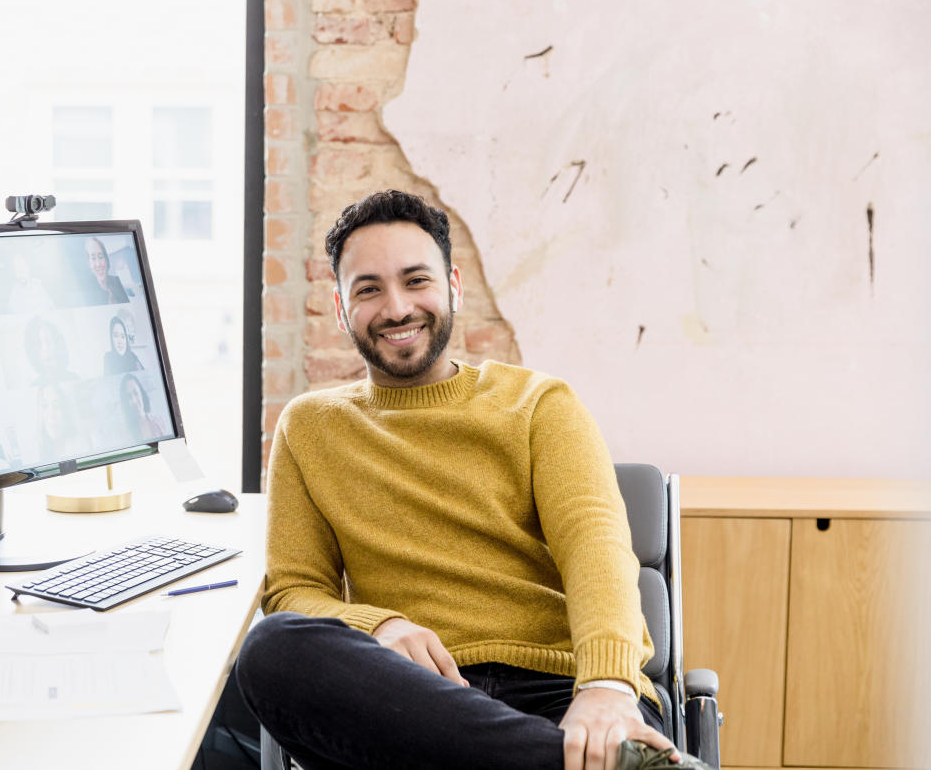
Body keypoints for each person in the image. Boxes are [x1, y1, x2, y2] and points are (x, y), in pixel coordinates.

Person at [234, 190, 711, 770]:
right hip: (409, 703)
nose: (396, 308)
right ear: (340, 308)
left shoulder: (540, 404)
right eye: (368, 289)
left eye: (416, 280)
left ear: (453, 287)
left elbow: (597, 549)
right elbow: (293, 591)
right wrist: (378, 625)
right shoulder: (308, 428)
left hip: (562, 690)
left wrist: (607, 687)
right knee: (270, 650)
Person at [24, 316, 79, 386]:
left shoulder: (73, 379)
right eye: (39, 344)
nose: (45, 348)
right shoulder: (34, 386)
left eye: (48, 341)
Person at [118, 372, 165, 442]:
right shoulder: (126, 434)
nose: (134, 401)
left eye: (136, 393)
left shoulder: (158, 421)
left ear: (141, 394)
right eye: (129, 397)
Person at [84, 236, 130, 304]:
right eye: (93, 258)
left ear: (106, 259)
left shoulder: (117, 282)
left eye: (101, 257)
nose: (98, 264)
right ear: (89, 263)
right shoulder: (87, 290)